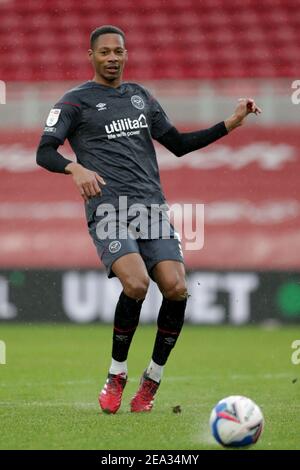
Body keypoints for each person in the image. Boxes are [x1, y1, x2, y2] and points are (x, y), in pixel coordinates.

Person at [36, 25, 261, 414]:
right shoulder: (74, 103)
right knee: (137, 284)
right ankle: (116, 373)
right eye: (104, 52)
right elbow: (44, 151)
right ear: (91, 56)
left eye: (118, 51)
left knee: (176, 288)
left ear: (125, 55)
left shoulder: (140, 97)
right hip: (108, 210)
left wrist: (231, 123)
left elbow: (177, 144)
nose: (112, 58)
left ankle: (152, 378)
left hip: (152, 209)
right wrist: (75, 169)